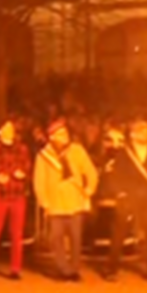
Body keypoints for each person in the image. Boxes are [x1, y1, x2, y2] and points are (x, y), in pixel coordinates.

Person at [102, 118, 147, 281]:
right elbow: (114, 175)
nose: (146, 133)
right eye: (141, 131)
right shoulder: (123, 153)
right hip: (129, 197)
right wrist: (120, 193)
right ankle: (111, 269)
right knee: (119, 234)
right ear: (133, 135)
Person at [34, 119, 97, 282]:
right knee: (56, 239)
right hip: (55, 203)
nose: (65, 135)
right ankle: (64, 269)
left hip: (75, 201)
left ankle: (74, 270)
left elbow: (91, 171)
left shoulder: (77, 150)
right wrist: (44, 201)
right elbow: (39, 181)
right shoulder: (44, 156)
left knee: (76, 239)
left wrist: (90, 189)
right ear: (52, 137)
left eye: (65, 132)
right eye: (60, 134)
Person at [0, 120, 32, 280]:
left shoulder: (22, 149)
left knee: (16, 234)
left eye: (11, 128)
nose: (9, 131)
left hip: (17, 195)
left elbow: (28, 169)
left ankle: (15, 269)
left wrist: (23, 176)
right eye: (6, 128)